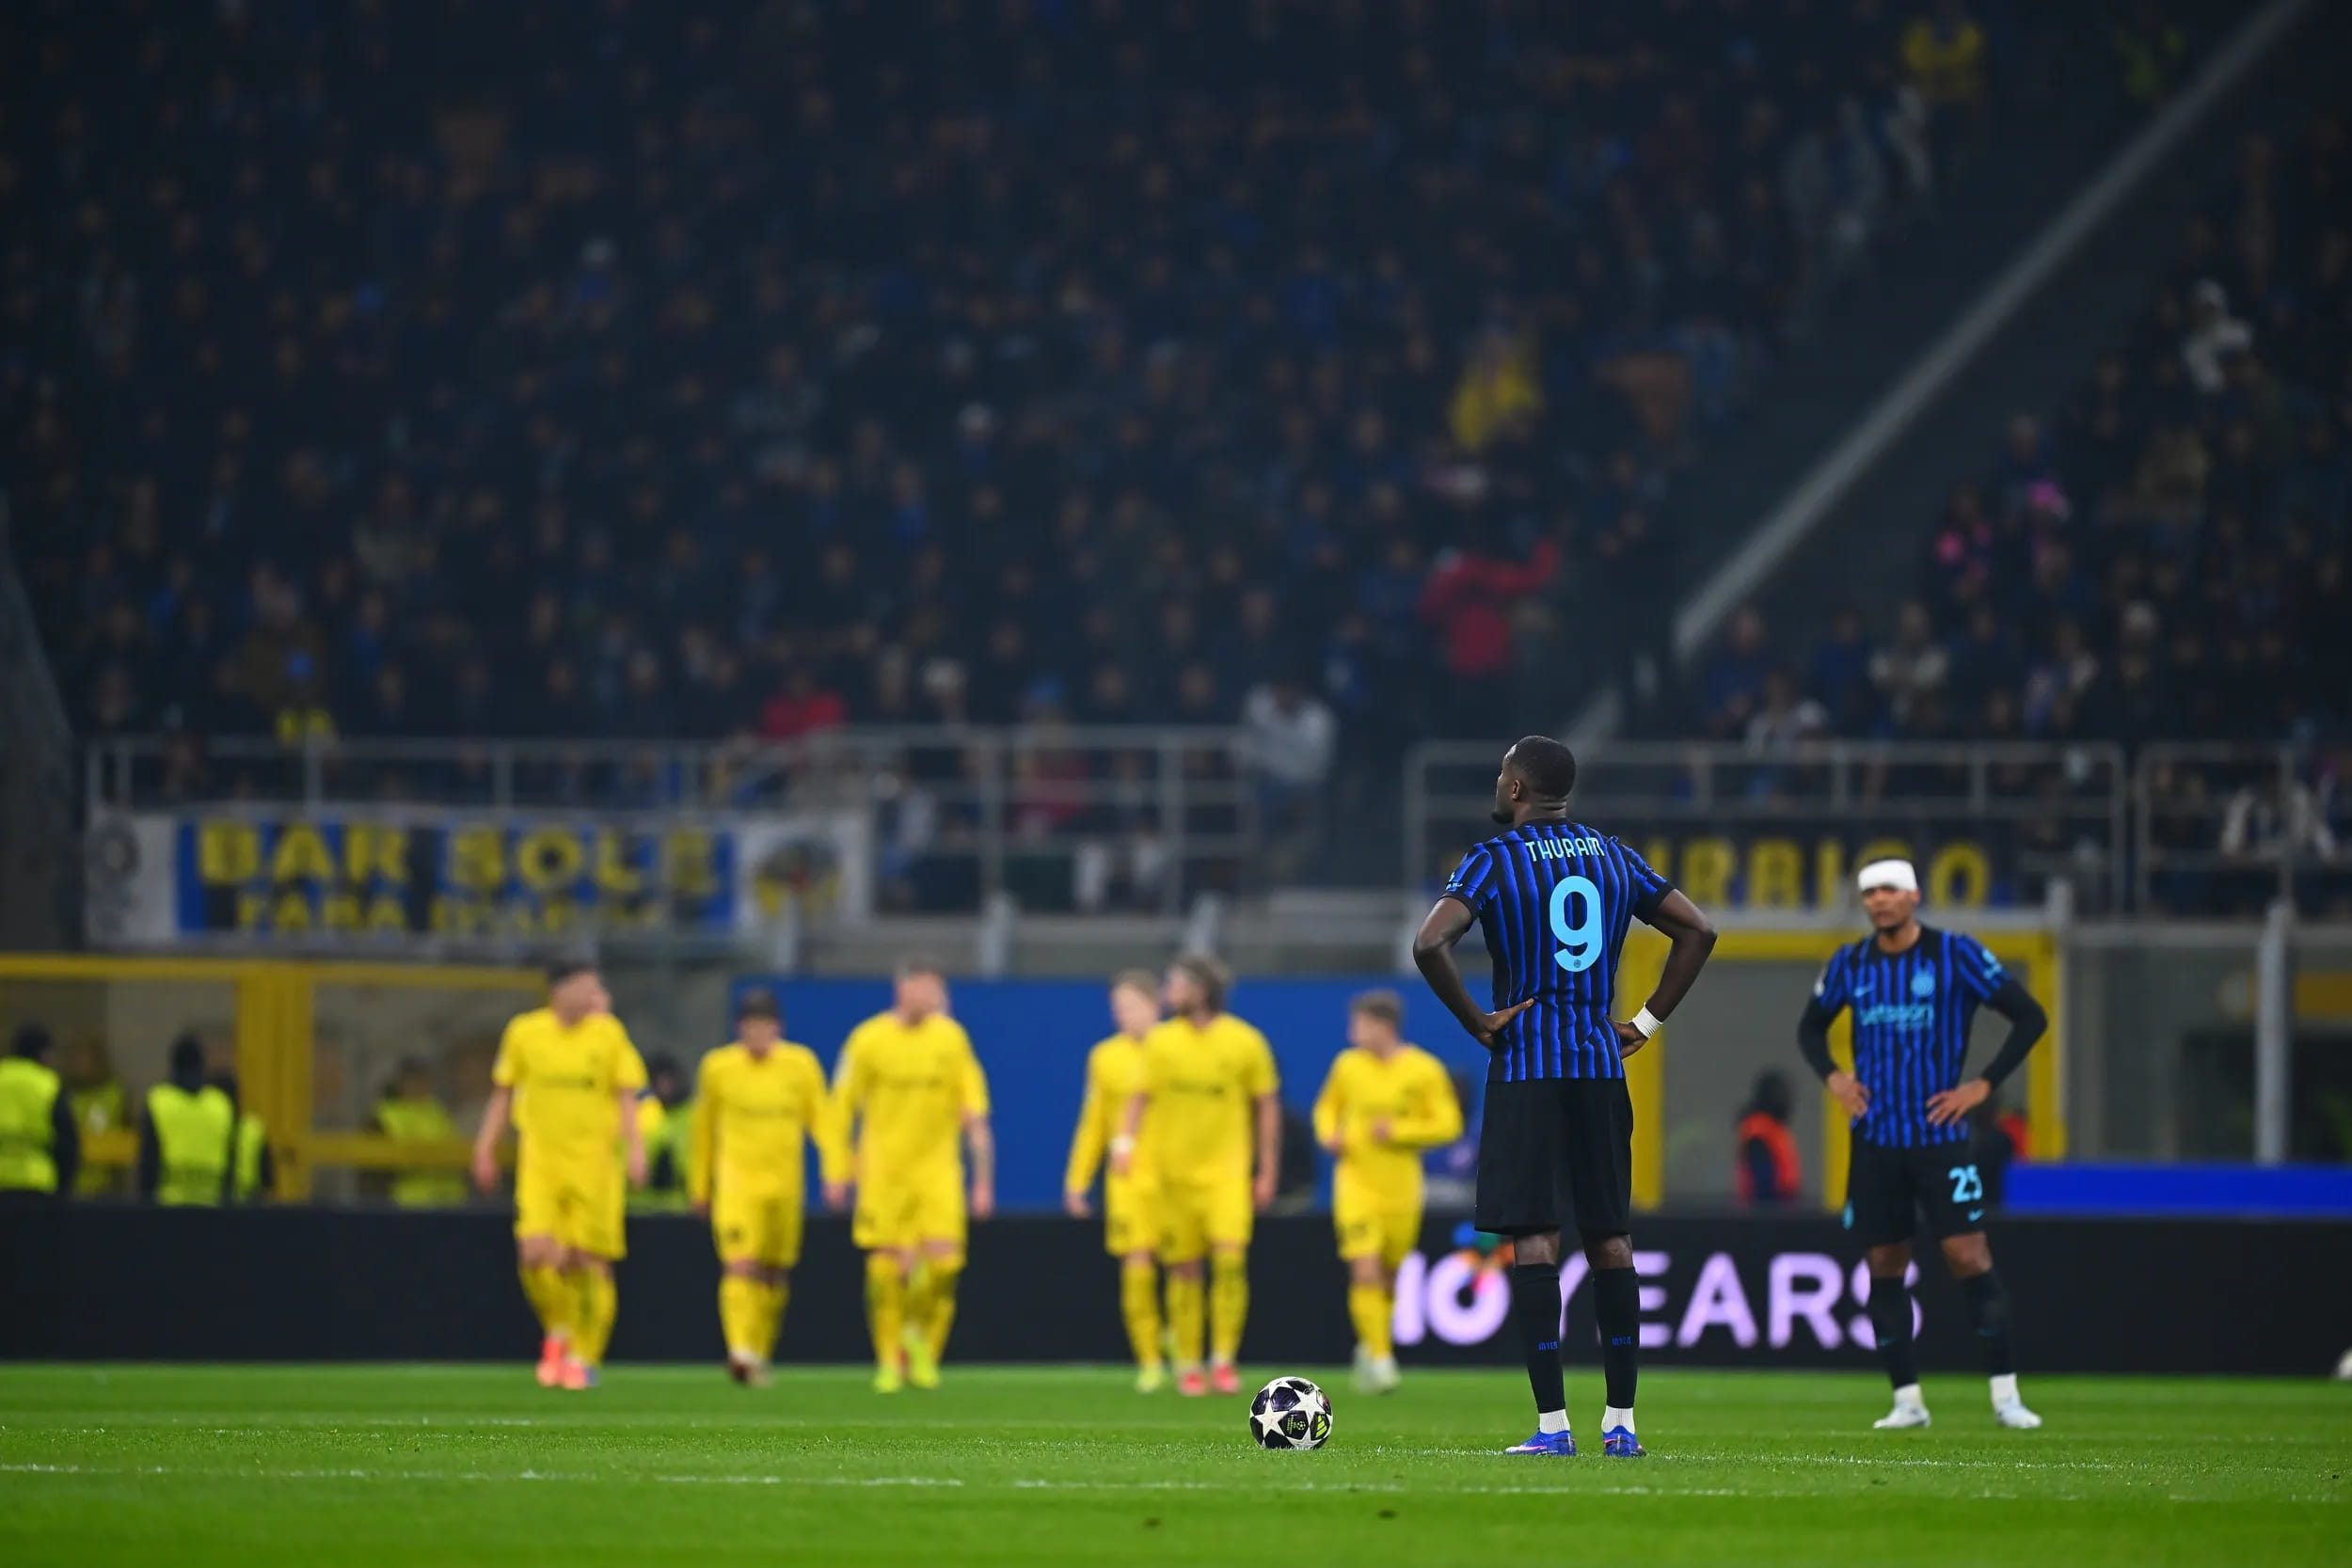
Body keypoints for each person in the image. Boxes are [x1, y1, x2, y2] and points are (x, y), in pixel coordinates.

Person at [1411, 735, 1717, 1458]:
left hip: (1527, 1066)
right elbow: (1698, 929)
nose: (1498, 785)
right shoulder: (1613, 854)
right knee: (1610, 1236)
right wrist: (1645, 1021)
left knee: (1535, 1235)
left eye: (1501, 775)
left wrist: (1476, 1019)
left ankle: (1553, 1426)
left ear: (1517, 788)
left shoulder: (1493, 859)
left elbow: (1429, 944)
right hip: (1599, 1064)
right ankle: (1623, 1423)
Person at [1794, 858, 2049, 1431]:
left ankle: (2006, 1397)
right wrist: (1834, 1077)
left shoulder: (1956, 954)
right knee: (1885, 1263)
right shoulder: (1850, 963)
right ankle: (1907, 1401)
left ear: (1913, 896)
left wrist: (1983, 1085)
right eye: (1869, 893)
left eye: (1889, 889)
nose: (1878, 900)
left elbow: (2030, 1017)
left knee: (1968, 1255)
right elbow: (1810, 1028)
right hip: (1875, 1141)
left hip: (1940, 1139)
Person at [470, 961, 648, 1392]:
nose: (593, 994)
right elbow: (503, 1093)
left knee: (588, 1262)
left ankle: (585, 1357)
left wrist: (635, 1149)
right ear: (559, 990)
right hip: (541, 1164)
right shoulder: (525, 1033)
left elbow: (626, 1096)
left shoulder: (608, 1034)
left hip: (595, 1166)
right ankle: (560, 1329)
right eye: (586, 986)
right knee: (534, 1254)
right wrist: (485, 1147)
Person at [824, 957, 993, 1393]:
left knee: (944, 1266)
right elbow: (840, 1108)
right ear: (904, 988)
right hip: (883, 1172)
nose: (934, 998)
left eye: (937, 990)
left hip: (938, 1170)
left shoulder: (952, 1039)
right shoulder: (867, 1039)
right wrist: (837, 1169)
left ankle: (917, 1338)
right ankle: (888, 1361)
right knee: (885, 1272)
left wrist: (983, 1179)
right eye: (927, 989)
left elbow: (974, 1109)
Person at [1114, 954, 1279, 1398]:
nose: (1169, 992)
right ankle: (1188, 1363)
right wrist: (1124, 1144)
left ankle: (1223, 1360)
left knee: (1229, 1261)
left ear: (1200, 991)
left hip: (1226, 1174)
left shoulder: (1245, 1042)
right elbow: (1139, 1098)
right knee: (1184, 1270)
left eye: (1176, 984)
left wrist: (1267, 1169)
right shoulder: (1161, 1042)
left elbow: (1266, 1106)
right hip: (1172, 1176)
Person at [1312, 990, 1462, 1395]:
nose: (1353, 1032)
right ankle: (1382, 1360)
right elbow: (1326, 1108)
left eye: (1360, 1024)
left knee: (1390, 1275)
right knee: (1364, 1268)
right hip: (1355, 1183)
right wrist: (1329, 1134)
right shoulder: (1347, 1066)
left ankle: (1370, 1343)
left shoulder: (1423, 1070)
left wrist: (1397, 1131)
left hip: (1400, 1188)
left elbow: (1448, 1123)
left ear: (1384, 1026)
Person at [691, 990, 837, 1386]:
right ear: (739, 1029)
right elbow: (704, 1130)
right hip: (736, 1184)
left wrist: (835, 1171)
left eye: (765, 1026)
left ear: (778, 1028)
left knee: (773, 1273)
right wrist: (699, 1185)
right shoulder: (718, 1068)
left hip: (784, 1186)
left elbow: (822, 1121)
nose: (758, 1034)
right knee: (739, 1264)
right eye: (751, 1027)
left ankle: (758, 1352)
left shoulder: (800, 1066)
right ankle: (740, 1350)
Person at [1062, 970, 1169, 1392]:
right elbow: (1093, 1123)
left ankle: (1183, 1344)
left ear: (1155, 1005)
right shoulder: (1104, 1057)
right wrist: (1077, 1179)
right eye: (1118, 1008)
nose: (1123, 1015)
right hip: (1127, 1177)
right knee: (1137, 1267)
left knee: (1183, 1267)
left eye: (1131, 1006)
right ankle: (1150, 1359)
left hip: (1176, 1177)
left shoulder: (1176, 1049)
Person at [140, 1034, 235, 1206]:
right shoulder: (220, 1104)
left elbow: (148, 1163)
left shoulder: (159, 1101)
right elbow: (231, 1165)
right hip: (212, 1206)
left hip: (169, 1206)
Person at [0, 1025, 80, 1201]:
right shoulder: (48, 1085)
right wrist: (64, 1189)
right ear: (43, 1053)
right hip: (36, 1182)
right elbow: (67, 1143)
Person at [373, 1056, 466, 1208]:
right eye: (414, 1081)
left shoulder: (436, 1110)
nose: (420, 1085)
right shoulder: (388, 1113)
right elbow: (399, 1157)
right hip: (410, 1201)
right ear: (401, 1084)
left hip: (448, 1199)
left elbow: (451, 1144)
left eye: (423, 1080)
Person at [632, 1054, 692, 1212]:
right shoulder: (636, 1115)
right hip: (638, 1206)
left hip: (681, 1208)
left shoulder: (691, 1117)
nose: (664, 1087)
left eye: (668, 1081)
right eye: (659, 1081)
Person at [1735, 1069, 1802, 1207]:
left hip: (1782, 1208)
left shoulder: (1772, 1129)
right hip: (1767, 1213)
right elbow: (1762, 1183)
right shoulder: (1758, 1132)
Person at [213, 1070, 273, 1203]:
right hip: (246, 1206)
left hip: (209, 1206)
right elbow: (267, 1181)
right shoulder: (253, 1131)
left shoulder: (207, 1130)